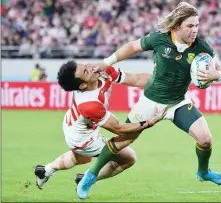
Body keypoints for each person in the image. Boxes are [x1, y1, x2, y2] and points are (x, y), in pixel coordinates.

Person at [78, 2, 221, 199]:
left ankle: (203, 172)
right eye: (190, 26)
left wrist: (216, 76)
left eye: (197, 25)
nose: (195, 30)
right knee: (122, 141)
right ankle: (91, 175)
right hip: (150, 102)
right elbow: (132, 47)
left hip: (178, 103)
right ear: (176, 27)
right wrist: (106, 63)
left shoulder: (202, 47)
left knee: (205, 139)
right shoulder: (160, 40)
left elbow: (219, 69)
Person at [34, 60, 163, 192]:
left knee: (82, 158)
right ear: (83, 85)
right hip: (83, 139)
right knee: (129, 158)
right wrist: (149, 122)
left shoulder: (101, 70)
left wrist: (163, 79)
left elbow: (136, 79)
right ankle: (87, 179)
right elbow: (119, 129)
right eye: (86, 71)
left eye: (85, 65)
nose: (91, 67)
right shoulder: (89, 105)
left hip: (73, 123)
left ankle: (45, 171)